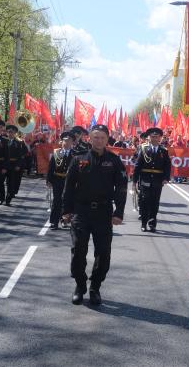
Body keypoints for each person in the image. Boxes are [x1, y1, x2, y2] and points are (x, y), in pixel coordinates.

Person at [62, 124, 127, 306]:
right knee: (78, 252)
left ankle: (95, 287)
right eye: (95, 137)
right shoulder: (78, 159)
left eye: (102, 138)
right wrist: (66, 211)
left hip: (103, 213)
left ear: (107, 140)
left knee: (103, 254)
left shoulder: (114, 161)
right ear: (89, 138)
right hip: (81, 212)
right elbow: (68, 187)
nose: (99, 141)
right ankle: (80, 285)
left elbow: (121, 188)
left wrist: (119, 213)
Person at [133, 127, 171, 232]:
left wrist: (166, 178)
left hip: (157, 181)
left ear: (160, 138)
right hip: (145, 179)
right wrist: (135, 179)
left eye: (157, 137)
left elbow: (167, 166)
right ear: (149, 138)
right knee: (145, 201)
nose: (154, 139)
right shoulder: (144, 148)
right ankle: (144, 223)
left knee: (155, 202)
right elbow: (138, 165)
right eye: (153, 137)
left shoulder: (164, 151)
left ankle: (152, 224)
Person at [46, 132, 74, 230]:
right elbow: (51, 167)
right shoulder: (56, 153)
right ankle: (54, 222)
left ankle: (64, 220)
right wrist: (48, 180)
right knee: (56, 201)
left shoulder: (75, 154)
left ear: (72, 142)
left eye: (69, 141)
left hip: (70, 181)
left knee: (66, 201)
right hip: (57, 180)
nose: (66, 143)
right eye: (65, 141)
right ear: (61, 142)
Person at [4, 125, 29, 205]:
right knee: (4, 182)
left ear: (15, 133)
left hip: (14, 164)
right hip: (4, 164)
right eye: (8, 132)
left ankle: (9, 197)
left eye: (12, 132)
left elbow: (22, 154)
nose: (10, 133)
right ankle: (2, 197)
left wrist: (18, 165)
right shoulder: (4, 141)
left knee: (12, 181)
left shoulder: (19, 142)